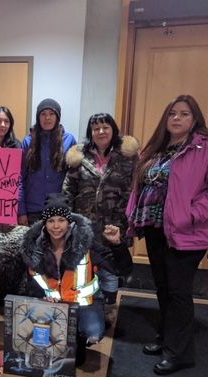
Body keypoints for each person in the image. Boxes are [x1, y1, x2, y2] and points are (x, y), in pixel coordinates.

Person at [125, 94, 208, 375]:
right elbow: (140, 186)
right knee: (163, 287)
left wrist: (191, 215)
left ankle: (180, 353)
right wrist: (132, 216)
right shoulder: (157, 148)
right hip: (156, 229)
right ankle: (166, 337)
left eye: (184, 114)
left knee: (178, 292)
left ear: (195, 119)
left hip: (187, 232)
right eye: (172, 113)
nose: (177, 118)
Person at [20, 193, 133, 365]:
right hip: (52, 304)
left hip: (85, 303)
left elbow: (122, 269)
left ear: (69, 221)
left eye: (61, 220)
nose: (56, 226)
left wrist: (117, 244)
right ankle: (61, 339)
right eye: (51, 221)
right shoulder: (35, 248)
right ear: (44, 223)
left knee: (93, 332)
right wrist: (41, 296)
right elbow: (32, 281)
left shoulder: (86, 244)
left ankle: (78, 338)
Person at [63, 113, 139, 323]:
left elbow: (135, 190)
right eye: (96, 128)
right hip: (84, 225)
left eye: (105, 127)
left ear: (113, 129)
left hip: (114, 225)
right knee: (82, 266)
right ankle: (84, 307)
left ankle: (109, 307)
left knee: (109, 269)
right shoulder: (80, 158)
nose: (101, 131)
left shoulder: (128, 157)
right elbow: (68, 190)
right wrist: (68, 220)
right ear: (91, 132)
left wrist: (129, 221)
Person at [18, 99, 77, 226]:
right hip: (32, 210)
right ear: (38, 117)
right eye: (43, 114)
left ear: (58, 117)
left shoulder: (69, 140)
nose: (47, 118)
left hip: (59, 211)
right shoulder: (28, 141)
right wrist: (21, 210)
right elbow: (19, 177)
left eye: (51, 114)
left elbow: (75, 178)